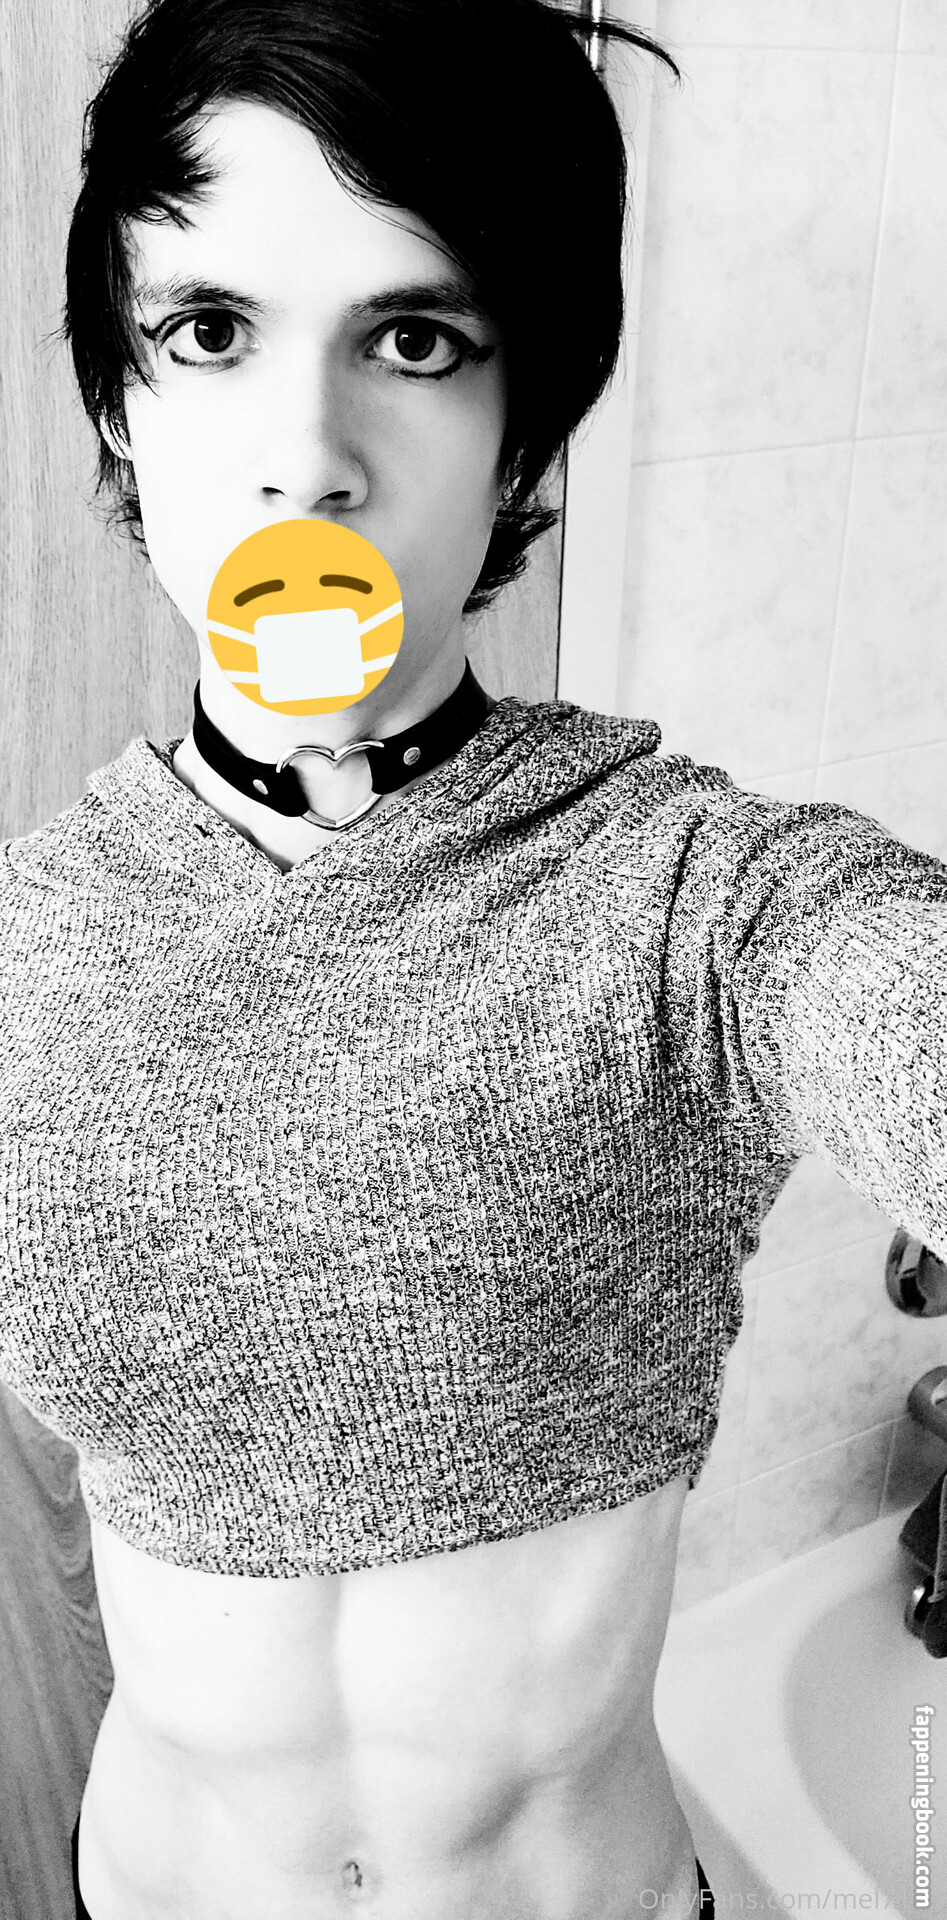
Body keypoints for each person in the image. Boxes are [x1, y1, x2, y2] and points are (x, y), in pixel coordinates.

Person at [1, 0, 944, 1914]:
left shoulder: (688, 896)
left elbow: (881, 986)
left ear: (525, 430)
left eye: (415, 340)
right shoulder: (25, 945)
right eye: (211, 332)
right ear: (119, 406)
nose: (308, 459)